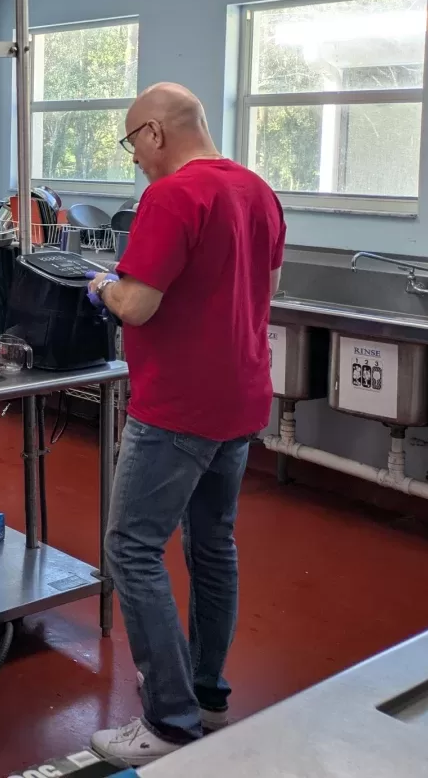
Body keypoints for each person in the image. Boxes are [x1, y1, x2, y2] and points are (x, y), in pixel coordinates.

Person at [85, 83, 284, 766]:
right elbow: (266, 291)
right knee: (213, 546)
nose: (135, 159)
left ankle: (168, 721)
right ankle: (206, 694)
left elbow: (136, 305)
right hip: (242, 401)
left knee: (132, 549)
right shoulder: (258, 191)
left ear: (155, 133)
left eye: (133, 143)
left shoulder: (171, 197)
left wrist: (101, 286)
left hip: (177, 408)